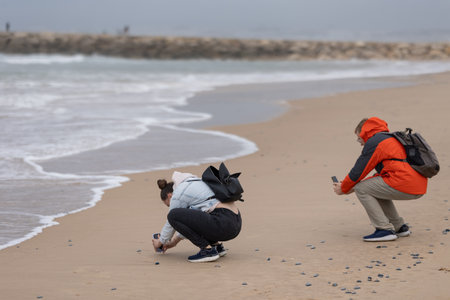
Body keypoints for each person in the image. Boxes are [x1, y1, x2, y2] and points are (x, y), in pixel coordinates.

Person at [333, 117, 427, 242]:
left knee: (362, 188)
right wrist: (350, 187)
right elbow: (383, 176)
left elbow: (358, 171)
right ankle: (399, 227)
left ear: (364, 133)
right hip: (418, 183)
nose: (360, 143)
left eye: (359, 138)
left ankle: (384, 230)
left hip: (405, 182)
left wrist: (344, 188)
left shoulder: (375, 142)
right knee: (371, 188)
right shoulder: (390, 138)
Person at [152, 171, 242, 262]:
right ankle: (216, 246)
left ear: (169, 196)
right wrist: (174, 242)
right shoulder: (198, 182)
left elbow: (171, 221)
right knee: (198, 215)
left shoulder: (179, 193)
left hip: (222, 222)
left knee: (172, 215)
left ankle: (208, 251)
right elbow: (193, 223)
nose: (170, 206)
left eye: (168, 204)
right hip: (235, 223)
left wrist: (160, 242)